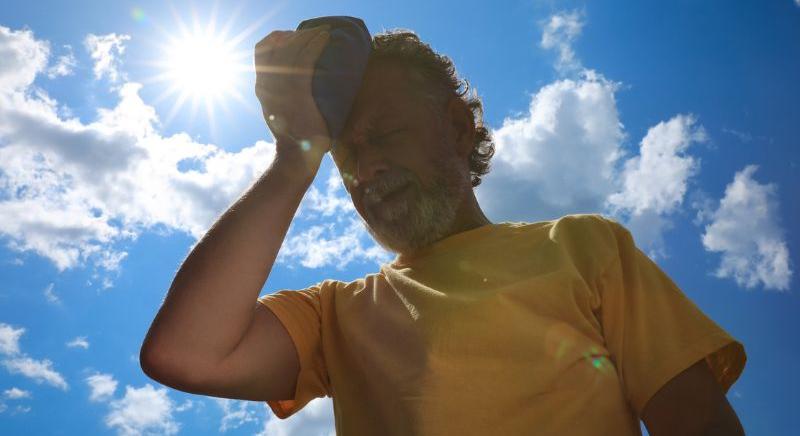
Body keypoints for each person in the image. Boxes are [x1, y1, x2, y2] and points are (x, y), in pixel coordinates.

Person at [139, 24, 747, 436]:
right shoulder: (334, 315)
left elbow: (697, 423)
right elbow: (183, 355)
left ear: (459, 128)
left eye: (382, 134)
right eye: (344, 156)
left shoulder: (585, 246)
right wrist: (296, 156)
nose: (365, 166)